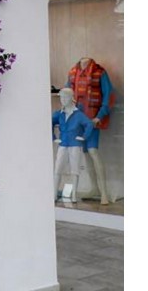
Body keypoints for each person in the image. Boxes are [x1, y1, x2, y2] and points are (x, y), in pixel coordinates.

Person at [66, 57, 115, 204]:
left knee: (93, 152)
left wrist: (100, 116)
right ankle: (94, 188)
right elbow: (68, 94)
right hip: (78, 120)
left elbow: (108, 95)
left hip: (92, 120)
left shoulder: (99, 72)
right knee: (86, 154)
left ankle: (104, 192)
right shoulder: (73, 72)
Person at [52, 87, 94, 202]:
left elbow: (89, 124)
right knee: (58, 168)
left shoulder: (78, 114)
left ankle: (74, 194)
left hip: (75, 144)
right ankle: (54, 193)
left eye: (65, 97)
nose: (62, 100)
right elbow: (49, 122)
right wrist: (54, 137)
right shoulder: (59, 114)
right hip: (63, 143)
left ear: (71, 98)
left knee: (75, 169)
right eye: (61, 97)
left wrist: (84, 137)